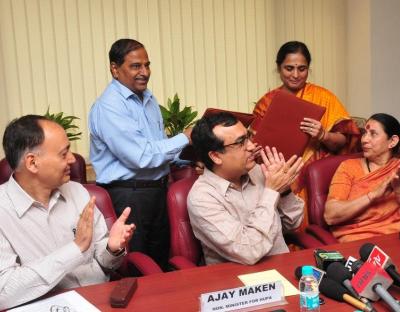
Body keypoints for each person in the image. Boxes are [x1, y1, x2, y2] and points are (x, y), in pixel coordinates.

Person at [0, 115, 135, 309]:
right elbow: (4, 292)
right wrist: (75, 248)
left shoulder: (78, 192)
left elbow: (104, 262)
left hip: (101, 300)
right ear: (32, 163)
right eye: (64, 154)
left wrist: (112, 249)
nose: (73, 159)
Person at [89, 38, 191, 270]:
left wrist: (189, 157)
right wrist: (185, 137)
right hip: (129, 196)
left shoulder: (147, 98)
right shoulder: (109, 106)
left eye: (147, 65)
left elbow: (157, 146)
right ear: (115, 69)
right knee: (136, 266)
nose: (144, 72)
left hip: (158, 191)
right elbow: (141, 156)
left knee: (161, 263)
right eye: (136, 66)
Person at [252, 41, 360, 229]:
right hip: (278, 176)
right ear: (278, 68)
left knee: (314, 229)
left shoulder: (325, 97)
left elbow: (344, 141)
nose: (295, 75)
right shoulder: (266, 103)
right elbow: (257, 145)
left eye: (302, 69)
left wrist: (323, 135)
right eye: (289, 68)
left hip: (316, 177)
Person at [187, 113, 304, 265]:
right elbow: (249, 253)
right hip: (237, 282)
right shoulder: (202, 197)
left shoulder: (258, 171)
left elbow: (293, 223)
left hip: (282, 267)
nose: (251, 146)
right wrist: (271, 192)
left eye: (248, 137)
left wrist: (284, 189)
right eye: (240, 142)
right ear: (216, 156)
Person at [323, 113, 400, 243]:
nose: (364, 139)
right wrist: (373, 195)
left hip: (396, 240)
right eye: (364, 133)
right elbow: (330, 215)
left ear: (392, 141)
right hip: (356, 241)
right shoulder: (348, 167)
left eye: (373, 134)